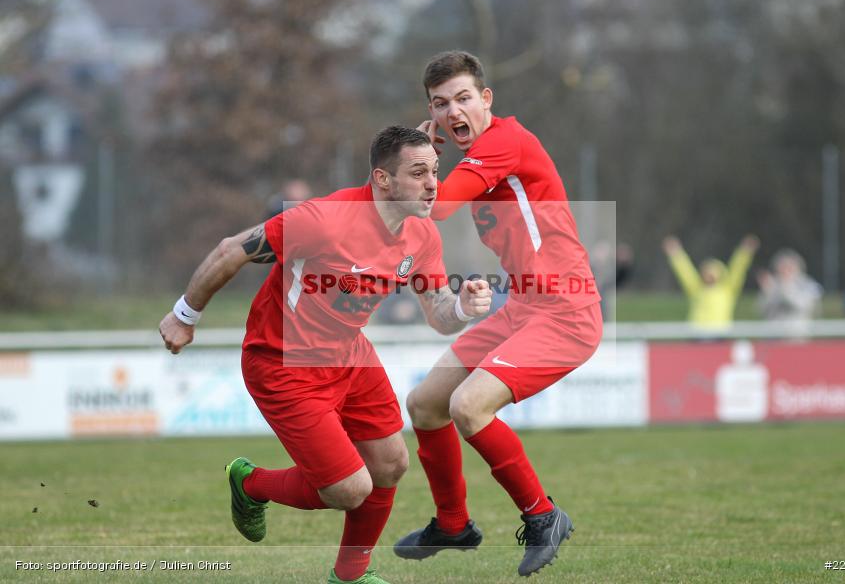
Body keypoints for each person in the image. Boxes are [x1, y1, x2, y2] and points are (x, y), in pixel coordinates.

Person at [158, 126, 492, 584]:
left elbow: (438, 314)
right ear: (382, 179)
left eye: (435, 171)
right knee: (350, 489)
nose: (434, 184)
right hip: (282, 362)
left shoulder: (422, 236)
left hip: (350, 356)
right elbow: (231, 250)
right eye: (419, 173)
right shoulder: (324, 219)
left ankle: (350, 576)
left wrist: (463, 308)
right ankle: (250, 483)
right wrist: (184, 315)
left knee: (391, 464)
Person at [393, 50, 603, 577]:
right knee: (425, 404)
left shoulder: (505, 142)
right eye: (440, 104)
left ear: (486, 99)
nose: (452, 111)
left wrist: (419, 159)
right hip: (525, 306)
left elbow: (438, 205)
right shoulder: (478, 154)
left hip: (565, 311)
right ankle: (453, 525)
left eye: (463, 98)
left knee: (468, 406)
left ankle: (543, 516)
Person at [662, 235, 759, 330]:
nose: (708, 276)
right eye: (706, 273)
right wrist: (675, 252)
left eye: (711, 274)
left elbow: (738, 269)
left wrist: (745, 252)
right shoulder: (696, 288)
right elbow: (684, 271)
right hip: (697, 332)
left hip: (720, 333)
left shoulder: (727, 289)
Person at [757, 248, 822, 333]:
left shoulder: (807, 284)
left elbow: (803, 306)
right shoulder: (772, 284)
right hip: (774, 334)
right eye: (782, 268)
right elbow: (762, 310)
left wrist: (786, 288)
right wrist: (767, 292)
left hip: (798, 334)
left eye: (788, 268)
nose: (785, 271)